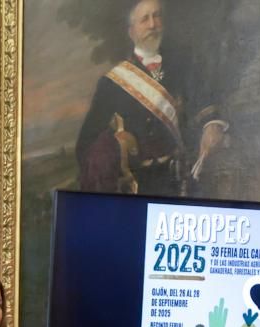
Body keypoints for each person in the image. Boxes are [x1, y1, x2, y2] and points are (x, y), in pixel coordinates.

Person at [74, 0, 227, 196]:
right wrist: (116, 146)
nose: (153, 24)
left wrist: (211, 125)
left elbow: (204, 100)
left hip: (184, 176)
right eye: (144, 19)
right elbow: (86, 143)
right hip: (140, 186)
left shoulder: (185, 64)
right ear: (132, 32)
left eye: (157, 16)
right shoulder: (111, 84)